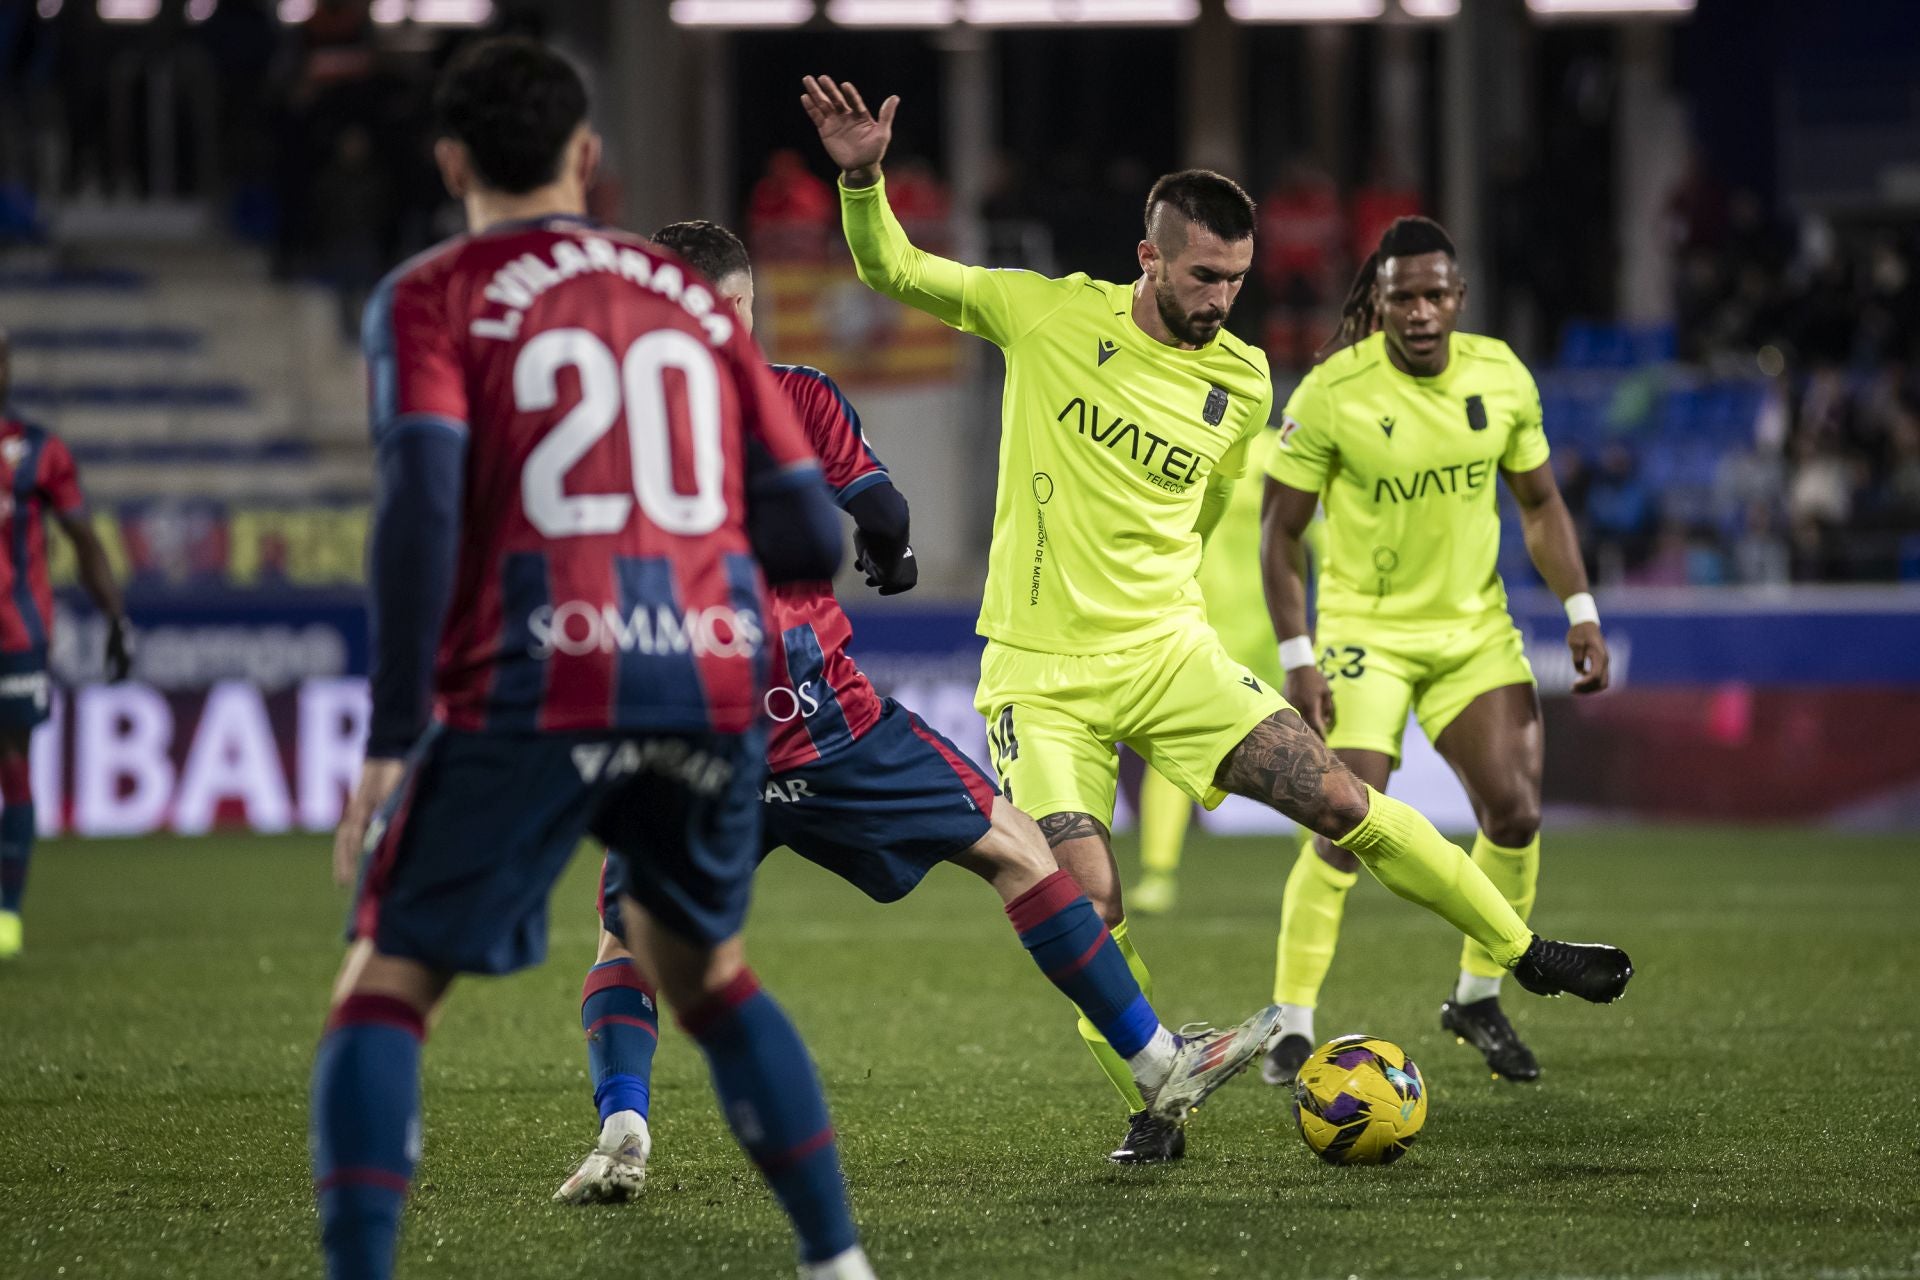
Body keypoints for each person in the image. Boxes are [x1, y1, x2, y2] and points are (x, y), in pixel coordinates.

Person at [801, 75, 1633, 1164]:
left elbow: (1197, 512)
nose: (1223, 299)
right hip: (1042, 679)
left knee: (1344, 796)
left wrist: (1180, 616)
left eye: (1237, 279)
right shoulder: (1045, 313)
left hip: (1171, 656)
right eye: (1204, 276)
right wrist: (863, 181)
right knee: (1084, 899)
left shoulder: (1243, 379)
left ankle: (1523, 953)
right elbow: (896, 268)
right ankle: (1156, 1098)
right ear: (1148, 257)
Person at [552, 221, 1281, 1202]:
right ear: (741, 308)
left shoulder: (598, 431)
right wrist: (886, 557)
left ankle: (624, 1127)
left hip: (675, 738)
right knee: (1015, 848)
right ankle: (1157, 1062)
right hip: (818, 718)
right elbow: (882, 515)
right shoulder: (796, 394)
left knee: (626, 936)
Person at [314, 40, 868, 1280]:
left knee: (386, 983)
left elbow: (418, 512)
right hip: (703, 674)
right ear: (587, 157)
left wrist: (394, 738)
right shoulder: (688, 299)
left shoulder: (430, 295)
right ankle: (837, 1260)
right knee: (708, 971)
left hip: (536, 668)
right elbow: (805, 531)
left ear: (450, 159)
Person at [1258, 216, 1613, 1086]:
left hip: (1471, 631)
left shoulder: (1501, 376)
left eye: (1433, 295)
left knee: (1517, 814)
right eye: (1400, 297)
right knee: (1343, 823)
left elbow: (1539, 504)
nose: (1418, 312)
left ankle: (1478, 996)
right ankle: (1291, 1023)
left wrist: (1581, 607)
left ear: (1459, 297)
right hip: (1363, 635)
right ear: (1376, 303)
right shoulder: (1332, 391)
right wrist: (1299, 655)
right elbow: (1280, 533)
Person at [0, 327, 132, 960]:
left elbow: (83, 541)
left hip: (17, 635)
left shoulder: (39, 451)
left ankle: (6, 915)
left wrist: (114, 618)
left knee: (13, 763)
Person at [1131, 422, 1288, 916]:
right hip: (1205, 627)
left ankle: (1329, 866)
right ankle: (1158, 875)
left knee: (1310, 748)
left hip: (1273, 630)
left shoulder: (1281, 451)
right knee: (1170, 750)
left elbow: (1318, 539)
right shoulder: (1174, 444)